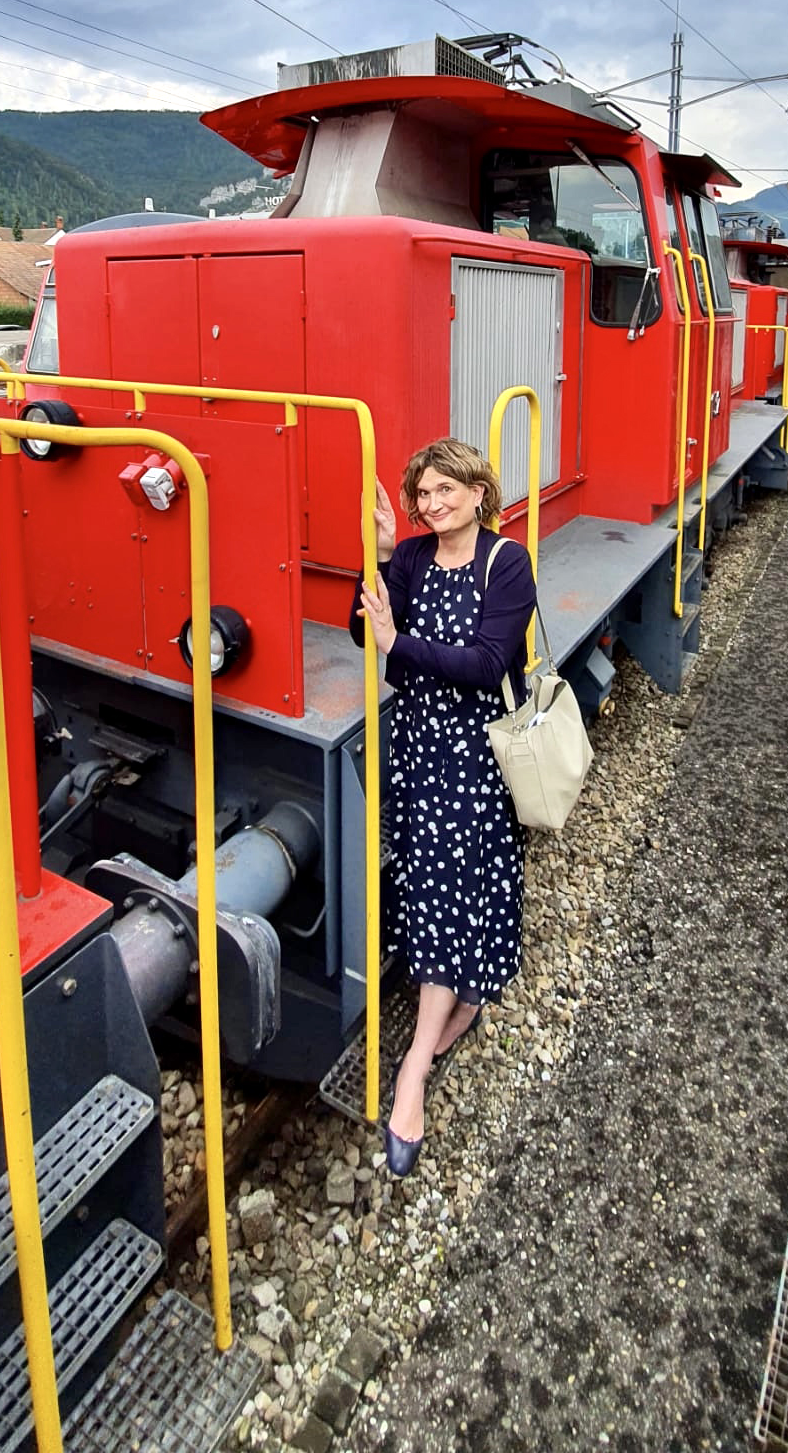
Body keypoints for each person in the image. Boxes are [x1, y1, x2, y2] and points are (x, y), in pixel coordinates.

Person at [351, 438, 536, 1177]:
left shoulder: (506, 562)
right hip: (419, 751)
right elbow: (361, 631)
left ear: (477, 491)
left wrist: (399, 643)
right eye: (422, 495)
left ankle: (412, 1074)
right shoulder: (411, 559)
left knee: (454, 892)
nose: (431, 505)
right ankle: (461, 1000)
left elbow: (487, 664)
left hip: (476, 757)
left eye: (444, 491)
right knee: (436, 892)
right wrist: (378, 556)